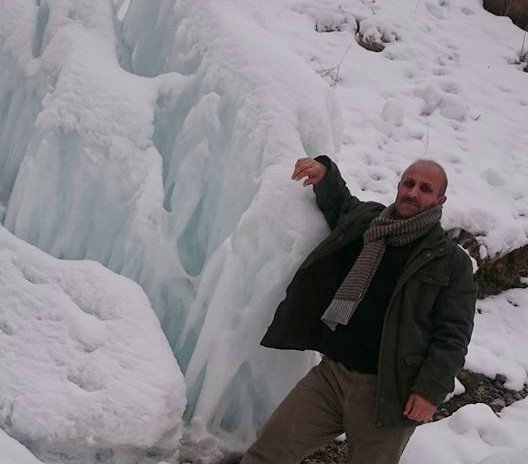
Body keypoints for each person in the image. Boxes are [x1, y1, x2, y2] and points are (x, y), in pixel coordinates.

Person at [240, 155, 476, 464]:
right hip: (331, 375)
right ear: (399, 186)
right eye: (409, 183)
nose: (413, 193)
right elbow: (340, 203)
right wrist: (324, 172)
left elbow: (453, 335)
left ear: (440, 199)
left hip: (390, 391)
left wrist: (430, 391)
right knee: (268, 452)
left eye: (425, 188)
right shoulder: (369, 223)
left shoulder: (450, 261)